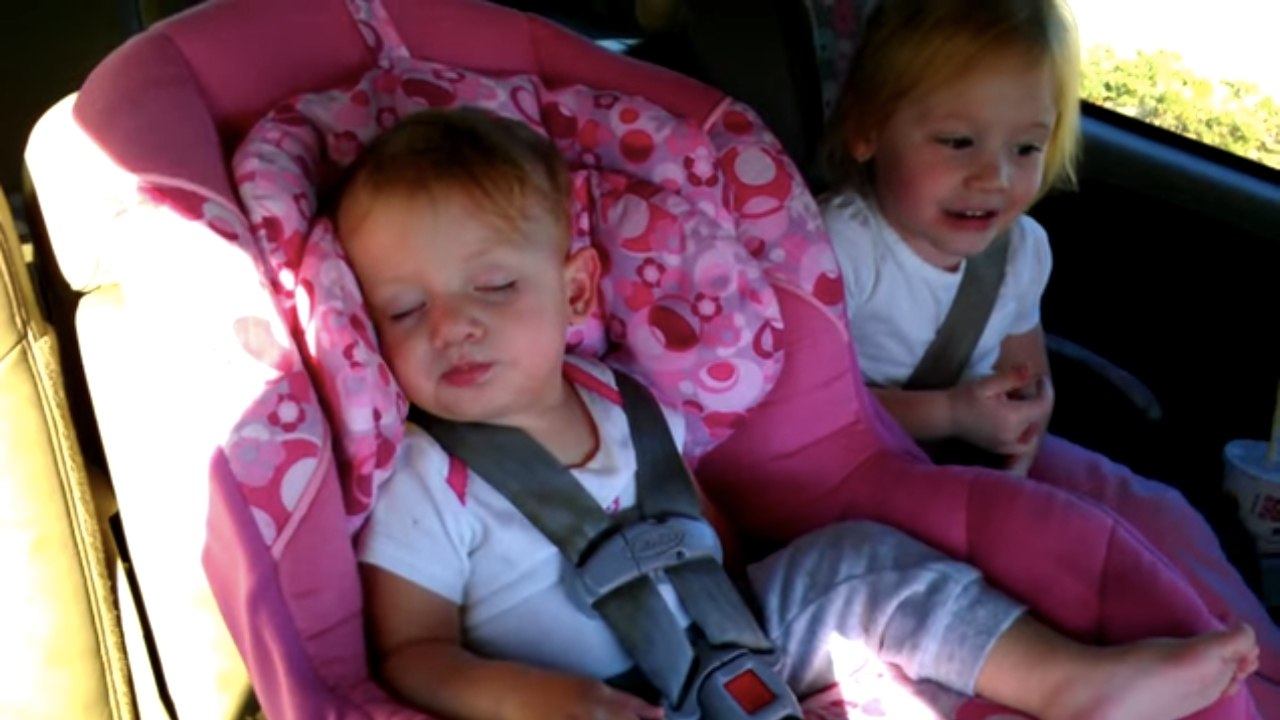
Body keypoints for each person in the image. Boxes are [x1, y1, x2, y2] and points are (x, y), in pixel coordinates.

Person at [338, 106, 1256, 720]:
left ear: (577, 291)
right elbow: (412, 654)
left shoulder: (625, 399)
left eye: (494, 285)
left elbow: (699, 519)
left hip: (735, 627)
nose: (454, 326)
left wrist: (749, 594)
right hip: (587, 697)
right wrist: (545, 705)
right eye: (405, 311)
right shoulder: (426, 477)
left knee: (863, 562)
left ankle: (1071, 682)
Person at [817, 0, 1280, 698]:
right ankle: (1187, 675)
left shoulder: (1019, 250)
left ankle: (1261, 654)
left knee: (1151, 508)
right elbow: (806, 420)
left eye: (1025, 149)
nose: (994, 177)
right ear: (866, 130)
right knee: (1068, 539)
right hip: (860, 472)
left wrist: (1023, 429)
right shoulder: (839, 247)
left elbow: (1023, 371)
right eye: (956, 141)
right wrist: (951, 416)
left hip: (975, 451)